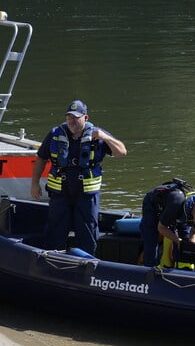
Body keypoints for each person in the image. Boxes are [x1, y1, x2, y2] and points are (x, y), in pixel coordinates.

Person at [30, 100, 127, 255]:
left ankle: (86, 266)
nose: (72, 121)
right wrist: (34, 184)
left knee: (87, 233)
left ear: (85, 118)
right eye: (69, 117)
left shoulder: (97, 134)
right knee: (55, 231)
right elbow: (41, 158)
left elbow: (122, 152)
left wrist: (105, 138)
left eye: (76, 117)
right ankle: (52, 265)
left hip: (86, 195)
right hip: (60, 193)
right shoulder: (56, 133)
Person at [139, 179, 195, 267]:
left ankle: (183, 269)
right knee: (151, 238)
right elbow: (161, 227)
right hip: (154, 205)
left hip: (181, 212)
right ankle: (150, 269)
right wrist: (177, 240)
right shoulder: (177, 202)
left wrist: (191, 244)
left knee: (185, 239)